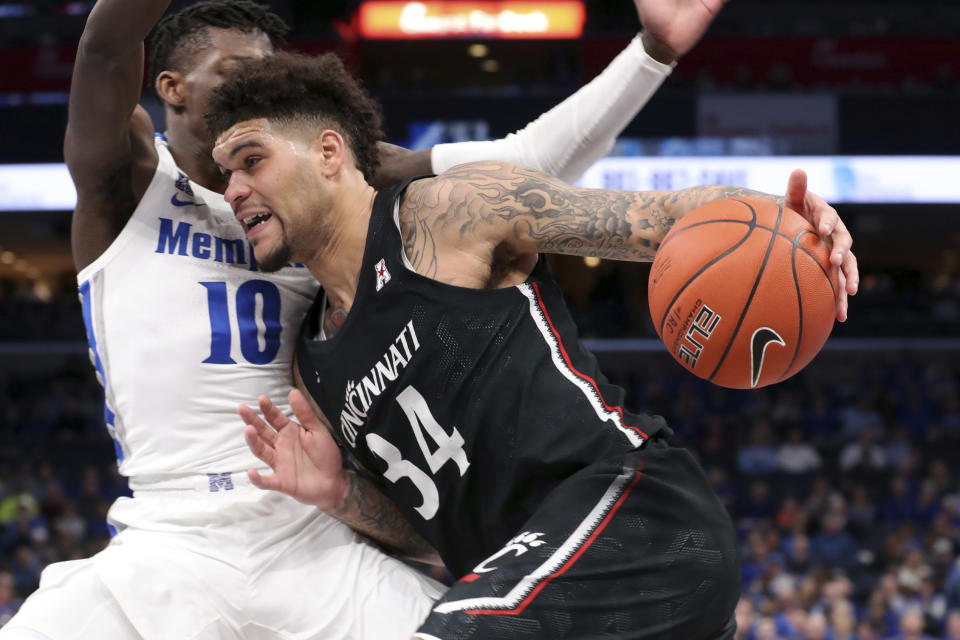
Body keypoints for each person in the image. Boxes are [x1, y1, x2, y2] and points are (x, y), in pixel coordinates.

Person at [0, 0, 720, 637]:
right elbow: (100, 48)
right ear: (170, 86)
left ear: (326, 151)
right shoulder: (125, 180)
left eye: (269, 68)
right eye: (236, 67)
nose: (258, 76)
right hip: (173, 529)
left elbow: (521, 168)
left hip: (312, 537)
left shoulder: (309, 183)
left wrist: (651, 54)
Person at [213, 49, 860, 639]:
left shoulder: (443, 215)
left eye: (251, 160)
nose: (233, 189)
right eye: (224, 175)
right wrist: (338, 495)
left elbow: (654, 219)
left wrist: (783, 214)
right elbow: (434, 536)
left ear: (329, 153)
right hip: (546, 588)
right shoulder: (315, 368)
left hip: (641, 523)